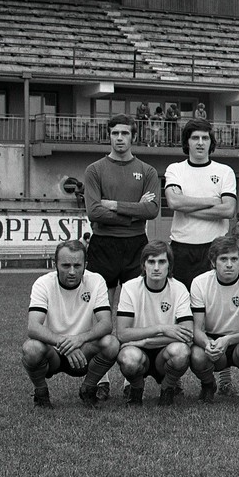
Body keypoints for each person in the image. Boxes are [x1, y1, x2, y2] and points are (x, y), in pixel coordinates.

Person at [84, 113, 160, 400]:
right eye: (115, 133)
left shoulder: (147, 171)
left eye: (125, 133)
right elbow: (94, 212)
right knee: (100, 311)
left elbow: (152, 211)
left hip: (136, 246)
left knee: (133, 312)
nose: (119, 138)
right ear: (109, 136)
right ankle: (101, 378)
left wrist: (114, 206)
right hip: (103, 245)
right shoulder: (95, 170)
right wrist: (132, 211)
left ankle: (131, 378)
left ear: (133, 137)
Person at [21, 240, 120, 408]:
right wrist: (65, 343)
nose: (72, 271)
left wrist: (80, 339)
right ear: (55, 265)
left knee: (111, 343)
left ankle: (88, 389)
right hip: (52, 352)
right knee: (31, 348)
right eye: (66, 265)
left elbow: (106, 323)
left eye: (77, 265)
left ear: (85, 265)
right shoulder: (43, 283)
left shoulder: (96, 281)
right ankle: (41, 393)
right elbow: (33, 327)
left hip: (83, 352)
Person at [189, 236, 239, 405]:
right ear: (213, 262)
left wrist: (229, 339)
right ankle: (208, 385)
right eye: (223, 259)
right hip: (212, 340)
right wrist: (207, 343)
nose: (229, 264)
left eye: (234, 259)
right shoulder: (199, 283)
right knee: (197, 355)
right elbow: (197, 328)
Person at [115, 241, 193, 407]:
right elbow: (122, 333)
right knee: (128, 358)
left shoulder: (179, 289)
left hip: (162, 353)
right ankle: (136, 388)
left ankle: (167, 388)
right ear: (143, 265)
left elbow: (187, 335)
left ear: (169, 265)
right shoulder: (130, 288)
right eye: (151, 262)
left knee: (181, 352)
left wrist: (145, 341)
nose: (156, 267)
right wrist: (161, 328)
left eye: (162, 262)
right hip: (138, 351)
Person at [164, 118, 237, 289]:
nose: (200, 143)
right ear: (187, 142)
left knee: (212, 304)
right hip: (182, 248)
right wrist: (211, 201)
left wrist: (187, 208)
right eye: (195, 138)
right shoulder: (175, 169)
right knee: (182, 303)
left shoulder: (224, 171)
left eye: (205, 138)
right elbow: (174, 201)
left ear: (211, 142)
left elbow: (228, 209)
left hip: (215, 247)